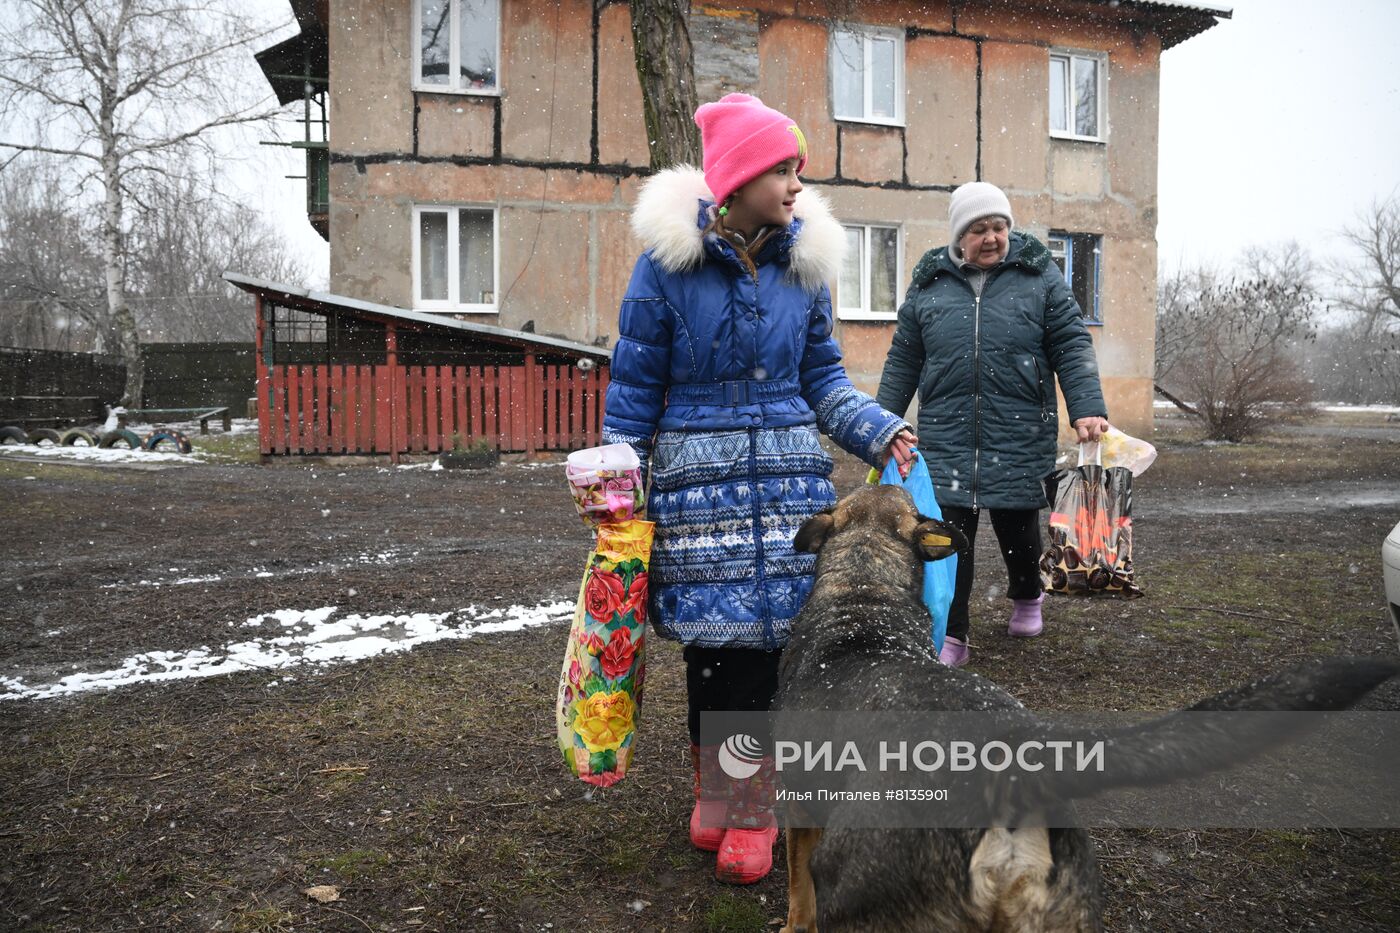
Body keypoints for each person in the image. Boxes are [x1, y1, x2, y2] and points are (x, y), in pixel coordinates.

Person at [601, 93, 912, 885]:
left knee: (769, 656)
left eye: (798, 169)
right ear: (736, 180)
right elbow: (634, 387)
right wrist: (618, 475)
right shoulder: (665, 268)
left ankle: (755, 807)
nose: (796, 183)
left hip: (783, 484)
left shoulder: (804, 272)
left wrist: (877, 428)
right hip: (695, 487)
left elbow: (823, 379)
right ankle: (715, 791)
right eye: (782, 167)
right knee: (712, 653)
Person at [875, 181, 1109, 668]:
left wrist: (1087, 405)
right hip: (946, 430)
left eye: (999, 227)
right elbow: (904, 360)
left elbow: (1070, 342)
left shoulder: (1039, 278)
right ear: (959, 236)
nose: (992, 237)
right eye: (979, 229)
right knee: (948, 536)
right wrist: (880, 425)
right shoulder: (929, 285)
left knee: (1018, 526)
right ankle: (953, 633)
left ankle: (1027, 595)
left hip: (1018, 428)